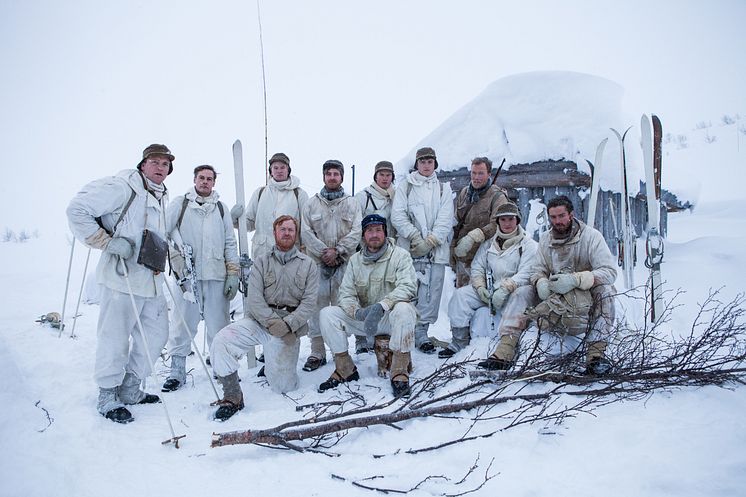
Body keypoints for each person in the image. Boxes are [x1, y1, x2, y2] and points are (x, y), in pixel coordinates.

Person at [66, 144, 174, 423]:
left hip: (150, 279)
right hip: (121, 277)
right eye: (155, 162)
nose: (160, 167)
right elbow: (77, 209)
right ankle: (107, 394)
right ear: (143, 164)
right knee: (114, 337)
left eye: (165, 164)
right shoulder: (122, 186)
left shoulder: (161, 196)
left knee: (156, 334)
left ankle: (130, 387)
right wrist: (107, 242)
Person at [483, 195, 617, 374]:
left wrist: (576, 279)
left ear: (571, 214)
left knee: (606, 291)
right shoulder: (546, 239)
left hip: (584, 295)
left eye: (561, 216)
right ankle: (504, 351)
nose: (557, 221)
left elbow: (609, 271)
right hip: (557, 294)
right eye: (553, 217)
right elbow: (538, 269)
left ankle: (596, 357)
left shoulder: (591, 237)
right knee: (522, 292)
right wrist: (541, 282)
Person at [209, 215, 318, 421]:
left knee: (283, 387)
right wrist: (272, 322)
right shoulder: (261, 262)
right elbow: (254, 299)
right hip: (261, 321)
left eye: (291, 230)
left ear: (296, 234)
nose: (286, 233)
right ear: (275, 233)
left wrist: (288, 324)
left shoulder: (308, 265)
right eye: (282, 229)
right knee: (221, 341)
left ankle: (272, 364)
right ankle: (233, 396)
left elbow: (309, 303)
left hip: (289, 327)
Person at [318, 214, 418, 397]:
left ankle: (399, 371)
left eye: (378, 230)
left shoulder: (400, 256)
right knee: (327, 314)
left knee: (405, 309)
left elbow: (408, 287)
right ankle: (345, 368)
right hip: (365, 319)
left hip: (389, 317)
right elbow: (346, 293)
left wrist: (382, 306)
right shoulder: (355, 261)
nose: (374, 235)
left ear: (385, 233)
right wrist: (357, 313)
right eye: (369, 231)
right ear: (363, 235)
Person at [161, 165, 240, 392]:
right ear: (194, 180)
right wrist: (176, 260)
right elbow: (164, 232)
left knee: (219, 326)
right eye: (201, 178)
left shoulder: (221, 209)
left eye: (209, 179)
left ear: (214, 183)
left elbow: (229, 242)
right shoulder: (181, 204)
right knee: (182, 324)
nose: (205, 182)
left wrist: (232, 272)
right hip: (187, 277)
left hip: (216, 275)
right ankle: (177, 371)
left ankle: (221, 368)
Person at [440, 203, 537, 359]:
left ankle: (508, 345)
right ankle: (459, 343)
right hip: (491, 290)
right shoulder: (489, 244)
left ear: (517, 220)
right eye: (503, 219)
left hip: (513, 292)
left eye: (511, 219)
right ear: (498, 222)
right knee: (461, 296)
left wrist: (506, 288)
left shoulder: (528, 245)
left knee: (521, 294)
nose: (507, 223)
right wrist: (480, 287)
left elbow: (527, 272)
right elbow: (477, 266)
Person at [300, 159, 362, 371]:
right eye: (329, 174)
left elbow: (356, 231)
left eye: (336, 174)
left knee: (341, 308)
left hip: (343, 265)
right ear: (324, 177)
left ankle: (340, 352)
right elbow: (305, 232)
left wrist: (339, 251)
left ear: (342, 177)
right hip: (317, 266)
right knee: (316, 308)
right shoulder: (311, 204)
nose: (332, 177)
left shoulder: (352, 203)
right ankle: (317, 352)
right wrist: (323, 252)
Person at [391, 147, 454, 353]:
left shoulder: (444, 189)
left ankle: (422, 334)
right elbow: (398, 215)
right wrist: (415, 237)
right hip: (410, 249)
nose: (426, 165)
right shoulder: (405, 187)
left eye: (430, 162)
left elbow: (446, 218)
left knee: (431, 293)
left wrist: (432, 240)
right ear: (416, 164)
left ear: (435, 164)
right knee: (409, 290)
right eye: (422, 162)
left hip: (435, 251)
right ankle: (405, 331)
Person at [353, 159, 396, 353]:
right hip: (366, 252)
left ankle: (383, 335)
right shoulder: (364, 196)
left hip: (388, 252)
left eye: (388, 175)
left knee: (384, 294)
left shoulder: (396, 196)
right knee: (363, 295)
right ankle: (362, 339)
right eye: (382, 175)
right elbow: (354, 223)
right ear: (375, 176)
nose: (385, 178)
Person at [230, 152, 309, 259]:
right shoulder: (260, 193)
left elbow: (306, 227)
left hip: (289, 255)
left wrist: (304, 252)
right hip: (262, 254)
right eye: (275, 168)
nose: (279, 171)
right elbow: (249, 223)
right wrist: (234, 220)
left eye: (282, 167)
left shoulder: (299, 194)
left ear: (288, 170)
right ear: (271, 171)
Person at [450, 157, 509, 288]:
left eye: (481, 173)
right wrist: (452, 249)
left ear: (489, 174)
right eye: (473, 173)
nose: (476, 177)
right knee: (462, 296)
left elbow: (498, 224)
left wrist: (475, 236)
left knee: (482, 296)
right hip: (464, 256)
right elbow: (457, 223)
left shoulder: (497, 197)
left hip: (485, 258)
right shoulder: (464, 193)